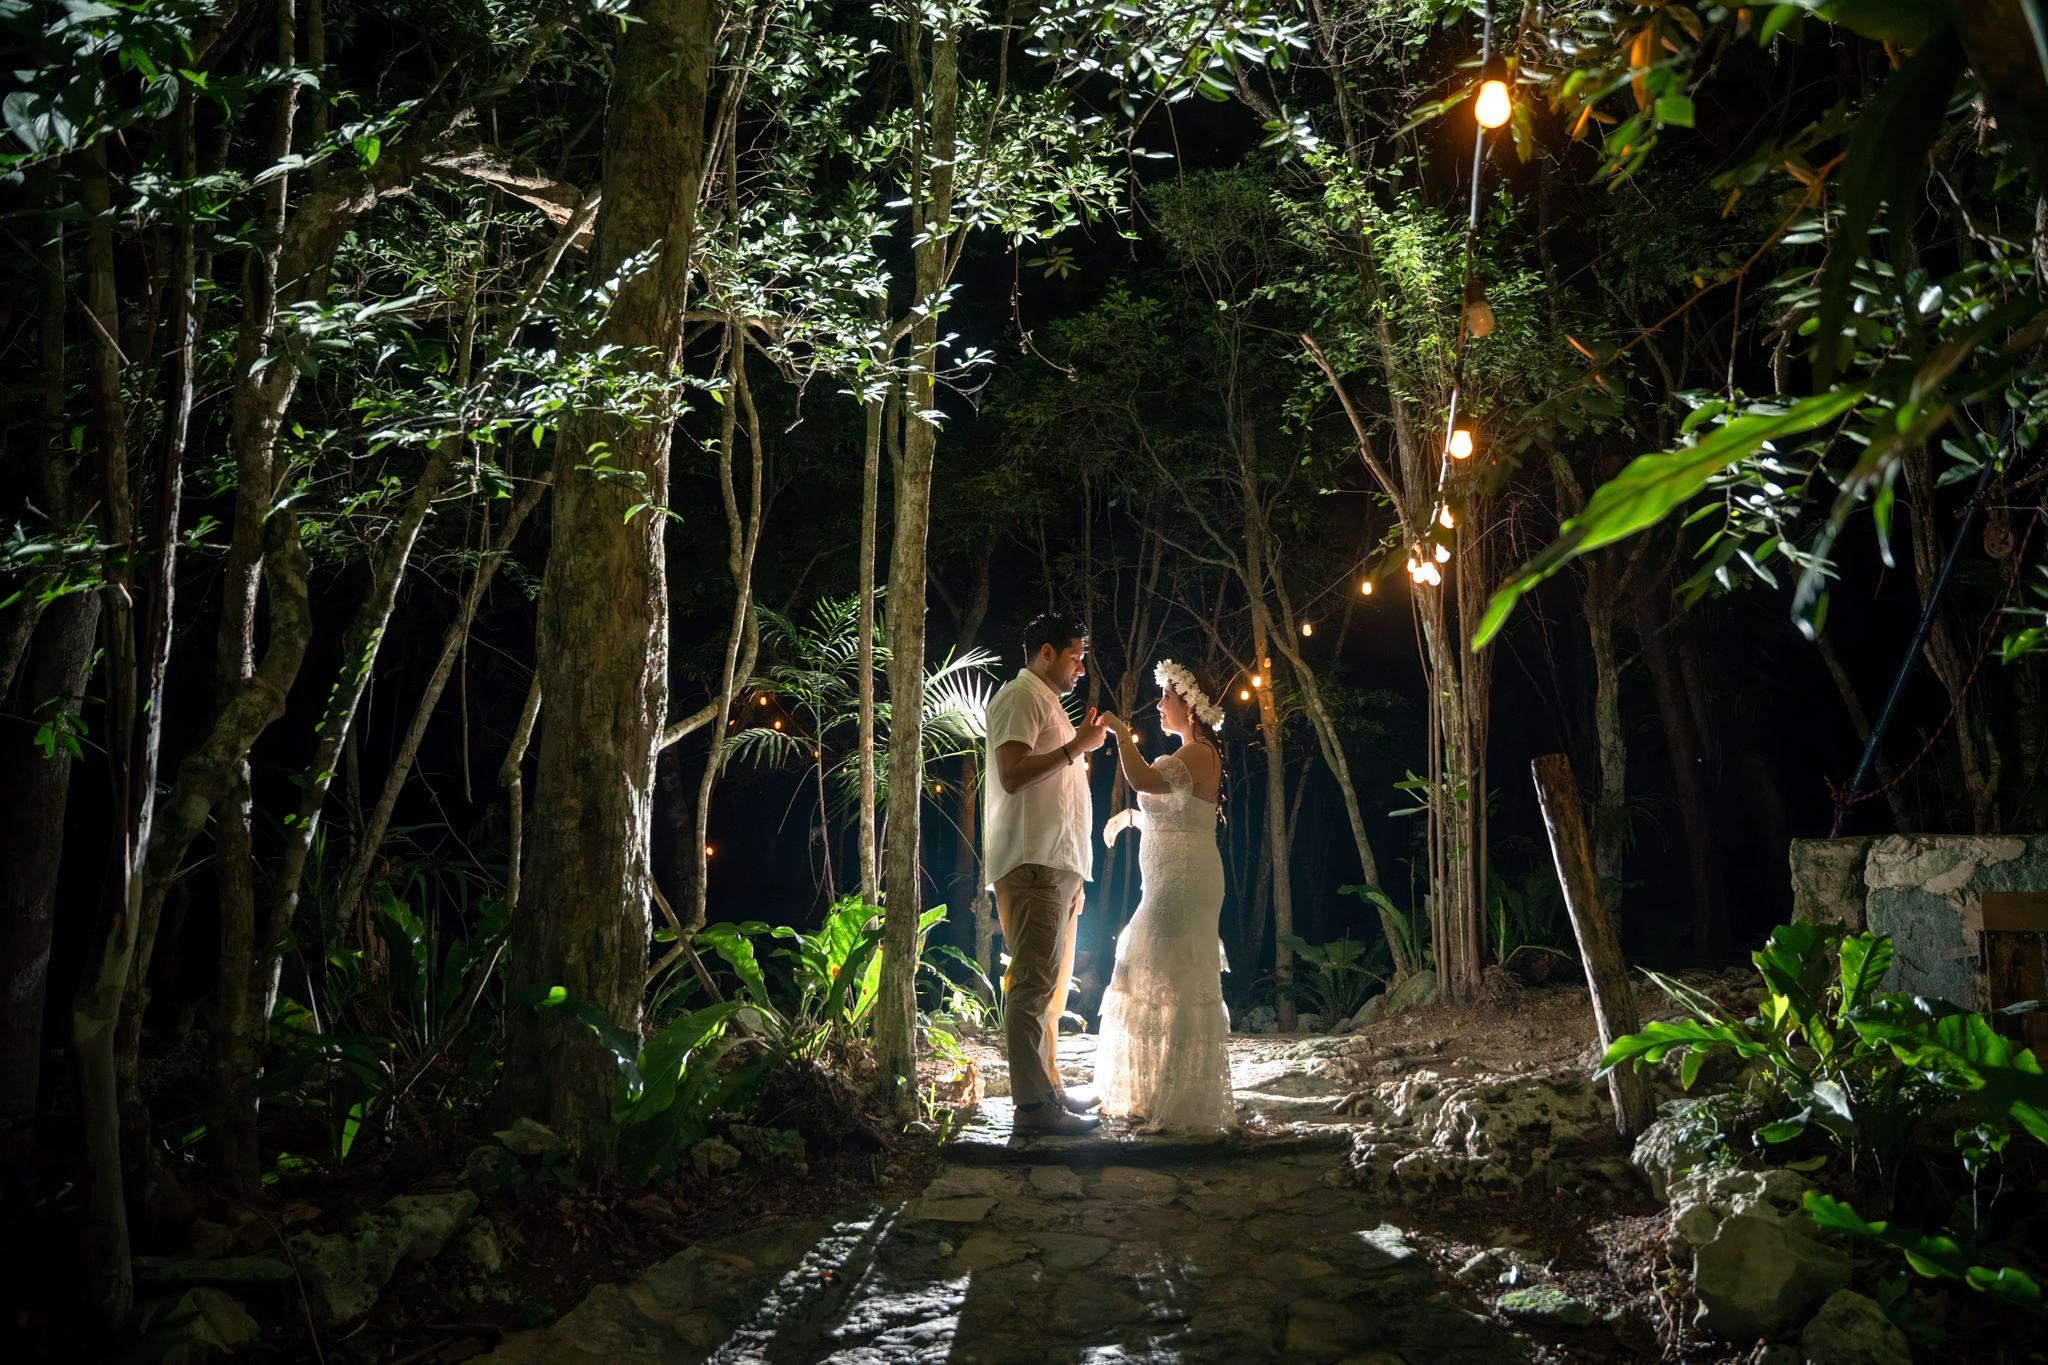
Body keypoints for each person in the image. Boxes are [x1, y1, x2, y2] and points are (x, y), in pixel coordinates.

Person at [1093, 661, 1237, 1133]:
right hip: (1166, 878)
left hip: (1185, 881)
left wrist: (1118, 732)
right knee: (1152, 970)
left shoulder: (1200, 753)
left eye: (1166, 699)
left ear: (1190, 707)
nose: (1159, 706)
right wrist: (1130, 819)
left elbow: (1144, 782)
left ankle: (1180, 1101)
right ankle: (1155, 1091)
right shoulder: (1189, 754)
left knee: (1163, 971)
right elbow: (1174, 812)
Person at [982, 613, 1108, 1135]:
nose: (1081, 667)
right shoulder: (1021, 696)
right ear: (1047, 652)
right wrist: (1077, 747)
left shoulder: (1047, 702)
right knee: (1032, 984)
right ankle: (1033, 1109)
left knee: (1051, 988)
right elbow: (1012, 775)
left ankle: (1049, 1088)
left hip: (1057, 864)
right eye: (1076, 656)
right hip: (1032, 863)